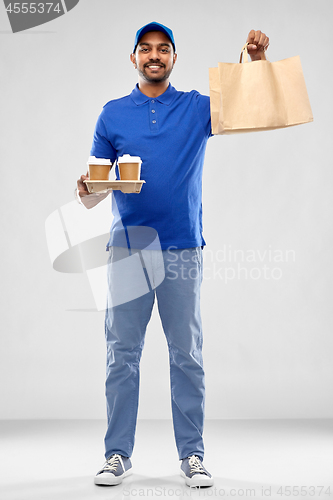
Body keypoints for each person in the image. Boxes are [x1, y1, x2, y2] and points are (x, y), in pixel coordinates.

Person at [76, 22, 269, 488]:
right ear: (134, 59)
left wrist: (256, 61)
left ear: (174, 58)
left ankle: (193, 456)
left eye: (163, 49)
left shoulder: (195, 108)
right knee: (122, 354)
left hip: (183, 247)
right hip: (127, 250)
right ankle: (116, 455)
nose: (154, 56)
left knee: (186, 355)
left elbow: (245, 107)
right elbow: (95, 190)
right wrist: (85, 191)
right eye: (146, 49)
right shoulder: (112, 114)